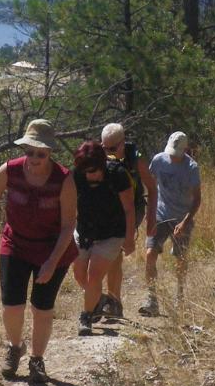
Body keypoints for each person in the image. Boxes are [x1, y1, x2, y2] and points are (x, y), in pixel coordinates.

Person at [0, 119, 77, 382]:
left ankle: (37, 360)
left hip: (52, 248)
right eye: (29, 151)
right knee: (12, 305)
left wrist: (52, 262)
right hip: (16, 243)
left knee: (41, 308)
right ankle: (14, 347)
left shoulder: (64, 180)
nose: (34, 158)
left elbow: (68, 226)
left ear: (50, 153)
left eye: (40, 153)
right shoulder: (9, 170)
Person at [71, 141, 135, 336]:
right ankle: (102, 299)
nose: (90, 175)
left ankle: (86, 316)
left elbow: (129, 208)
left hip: (111, 234)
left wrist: (129, 237)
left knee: (94, 276)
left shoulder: (117, 174)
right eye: (86, 171)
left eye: (94, 171)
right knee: (79, 275)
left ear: (102, 164)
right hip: (84, 232)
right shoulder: (76, 175)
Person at [97, 123, 157, 319]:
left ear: (122, 144)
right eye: (104, 148)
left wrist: (150, 219)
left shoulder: (135, 160)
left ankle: (114, 303)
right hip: (109, 210)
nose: (108, 153)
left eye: (112, 149)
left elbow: (152, 188)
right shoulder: (98, 158)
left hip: (133, 208)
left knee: (115, 254)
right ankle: (112, 302)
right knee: (112, 255)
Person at [139, 132, 201, 317]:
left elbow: (197, 199)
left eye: (177, 153)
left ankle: (180, 295)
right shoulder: (159, 160)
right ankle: (151, 299)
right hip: (160, 215)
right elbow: (150, 186)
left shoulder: (191, 167)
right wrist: (149, 214)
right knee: (150, 253)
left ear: (185, 150)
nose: (172, 156)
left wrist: (185, 222)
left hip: (182, 217)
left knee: (180, 258)